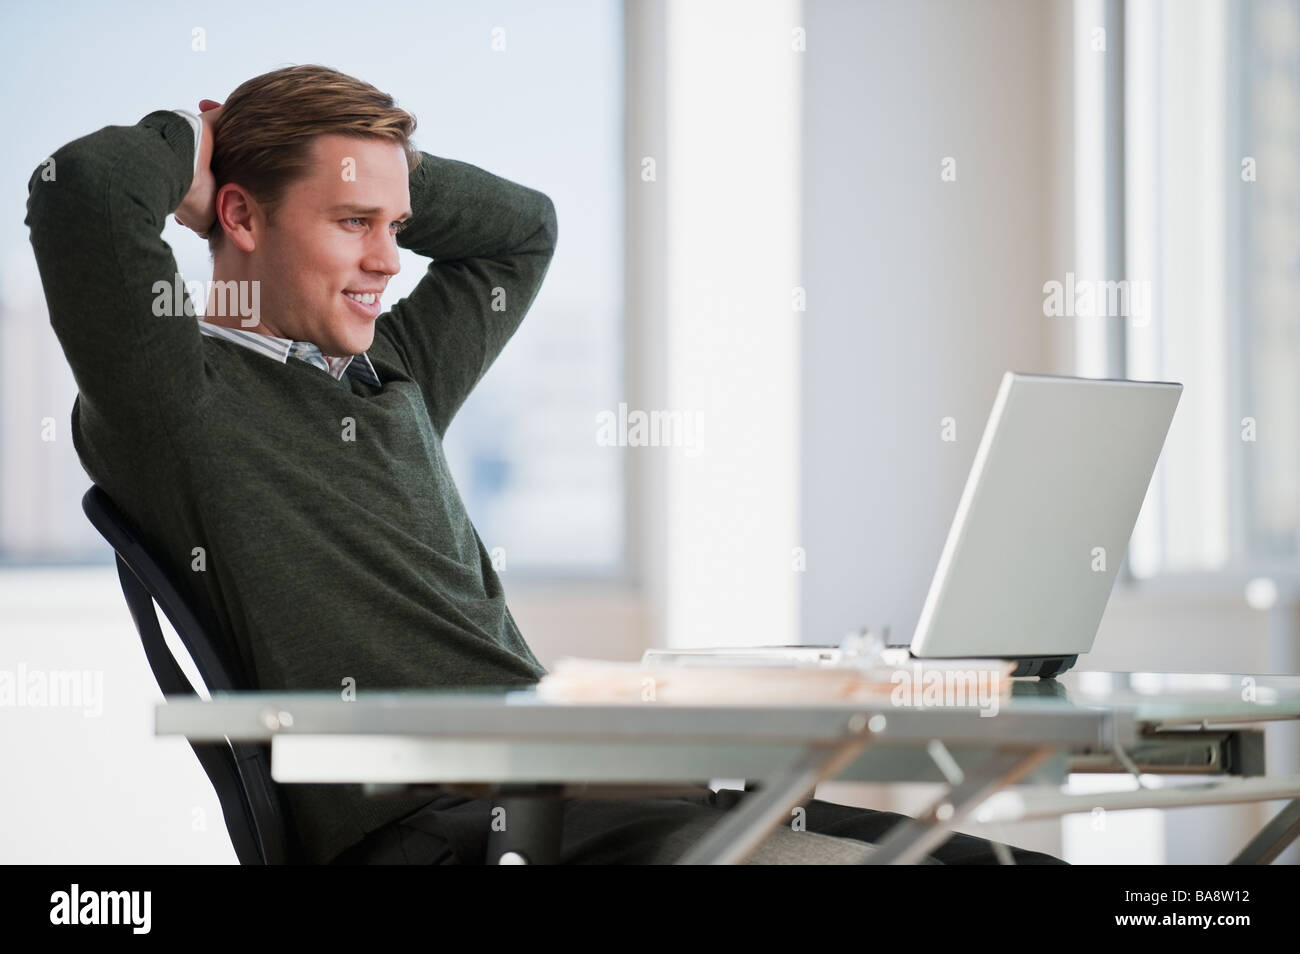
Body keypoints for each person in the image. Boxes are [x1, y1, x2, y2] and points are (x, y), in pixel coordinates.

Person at [26, 64, 1064, 866]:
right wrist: (196, 142)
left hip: (578, 793)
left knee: (991, 861)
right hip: (453, 830)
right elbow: (78, 194)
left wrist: (370, 170)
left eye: (397, 224)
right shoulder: (175, 397)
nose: (391, 258)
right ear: (240, 216)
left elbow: (523, 233)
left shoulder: (395, 374)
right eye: (353, 224)